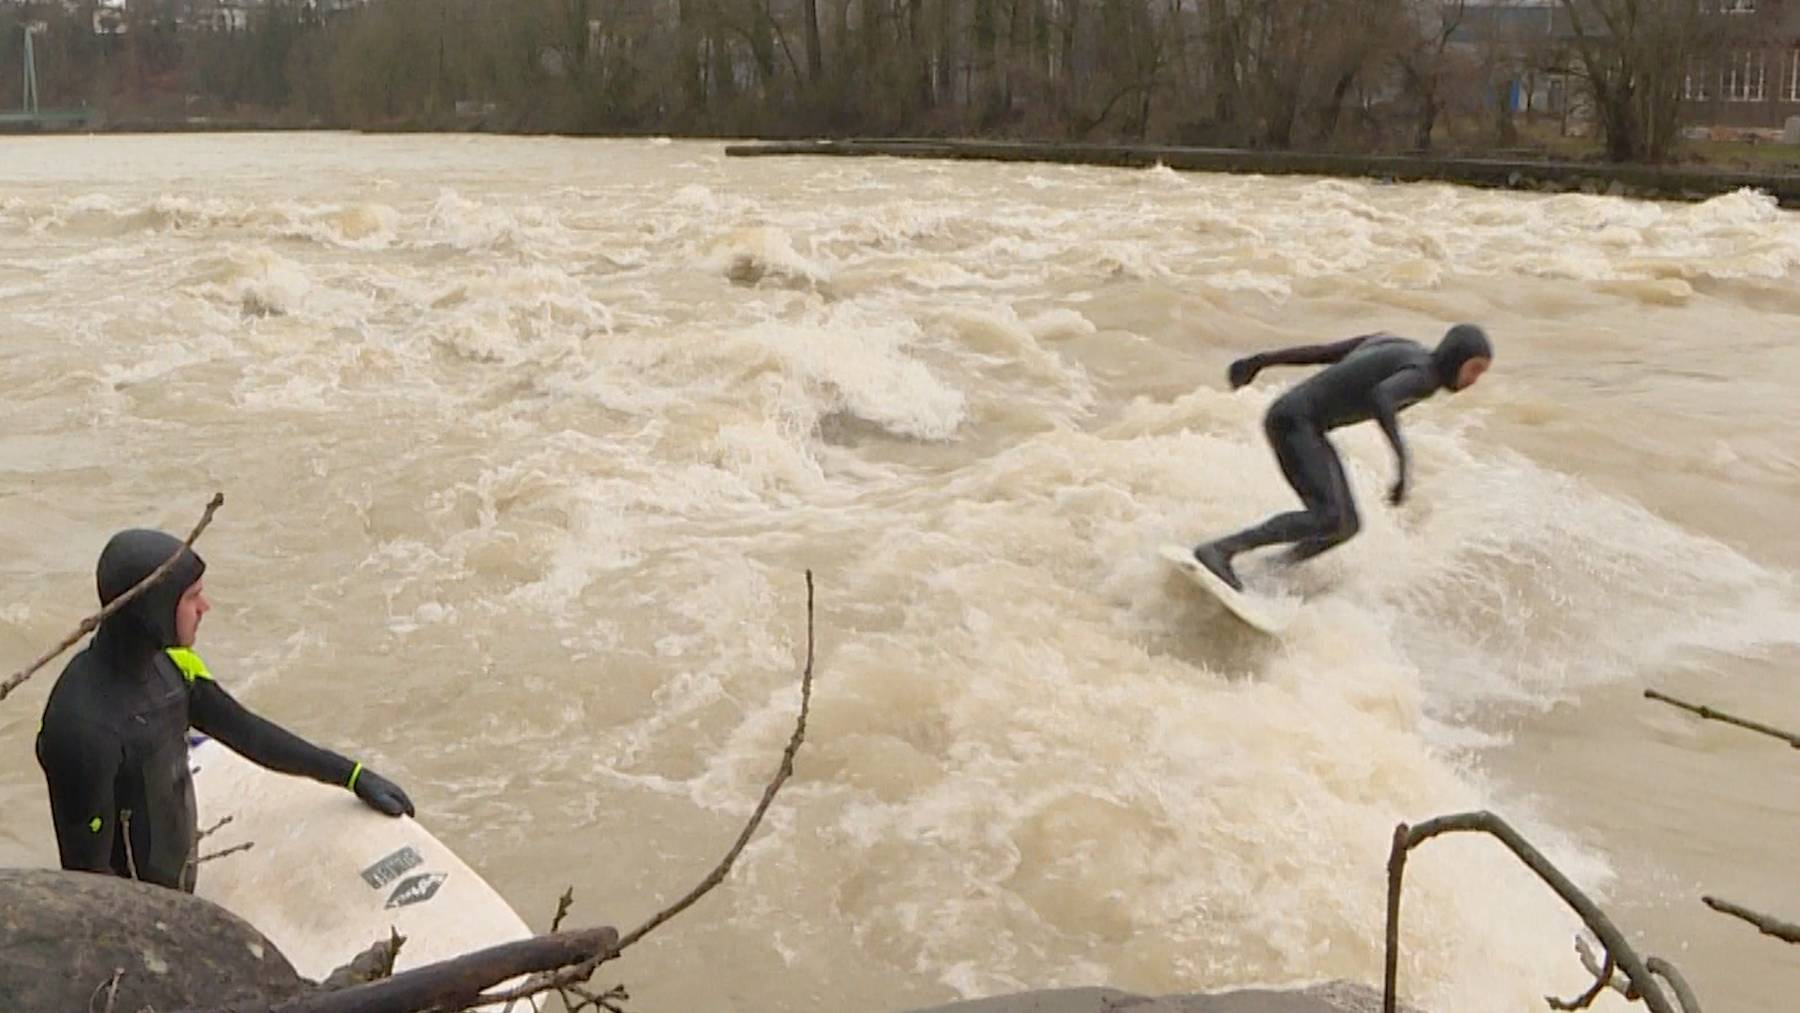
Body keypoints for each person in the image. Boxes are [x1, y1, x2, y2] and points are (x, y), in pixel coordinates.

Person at [36, 528, 413, 892]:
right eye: (191, 597)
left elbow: (250, 735)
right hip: (138, 918)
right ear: (151, 609)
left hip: (180, 890)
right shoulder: (80, 725)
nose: (205, 607)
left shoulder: (173, 666)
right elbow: (88, 880)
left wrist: (351, 775)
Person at [1192, 324, 1494, 591]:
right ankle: (1221, 550)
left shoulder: (1395, 344)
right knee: (1329, 517)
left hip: (1301, 422)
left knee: (1346, 525)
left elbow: (1327, 352)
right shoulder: (1424, 377)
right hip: (1295, 423)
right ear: (1456, 358)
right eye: (1475, 369)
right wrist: (1403, 465)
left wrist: (1261, 360)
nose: (1474, 380)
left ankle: (1268, 570)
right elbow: (1382, 397)